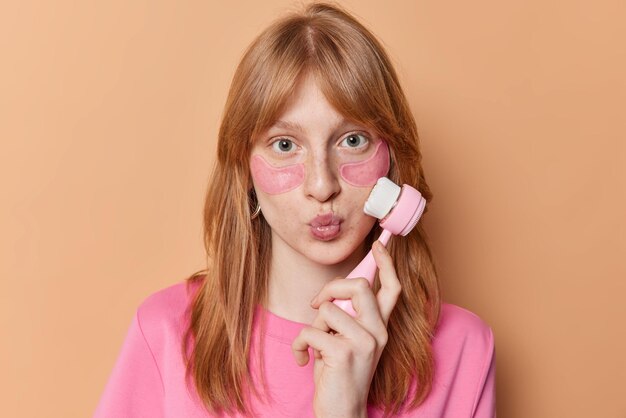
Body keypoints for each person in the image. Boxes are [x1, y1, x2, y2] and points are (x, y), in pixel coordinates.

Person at [93, 2, 496, 417]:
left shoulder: (464, 350)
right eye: (285, 145)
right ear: (244, 168)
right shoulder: (165, 333)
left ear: (392, 159)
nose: (322, 185)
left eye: (352, 140)